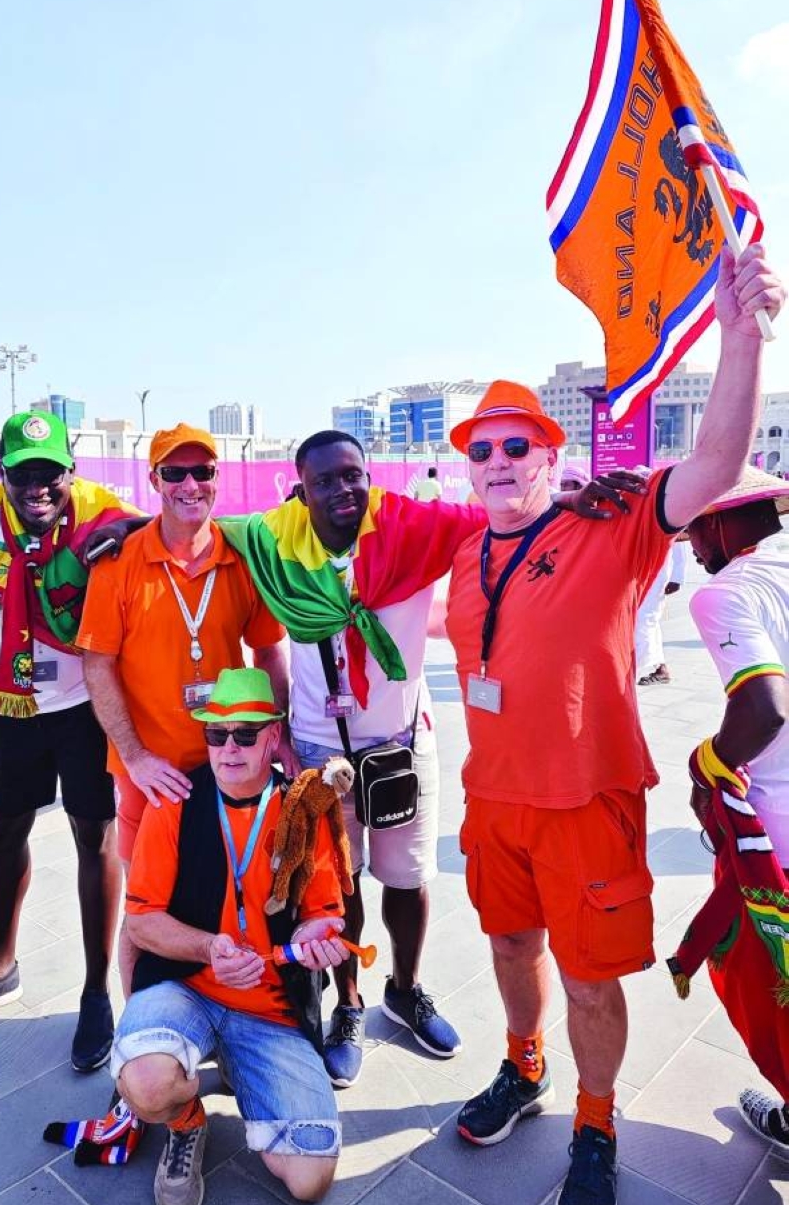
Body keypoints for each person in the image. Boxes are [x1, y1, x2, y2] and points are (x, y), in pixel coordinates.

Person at [443, 244, 784, 1205]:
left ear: (552, 458)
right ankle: (522, 1063)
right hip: (494, 800)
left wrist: (739, 332)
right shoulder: (466, 554)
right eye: (484, 450)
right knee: (511, 943)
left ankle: (596, 1122)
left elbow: (715, 465)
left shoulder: (612, 521)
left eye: (518, 447)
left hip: (587, 802)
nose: (499, 463)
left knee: (591, 977)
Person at [219, 431, 628, 1088]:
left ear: (369, 475)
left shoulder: (410, 524)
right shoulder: (272, 541)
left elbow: (505, 515)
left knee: (407, 881)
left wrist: (575, 498)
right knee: (338, 887)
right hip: (321, 752)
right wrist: (117, 530)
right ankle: (348, 1003)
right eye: (325, 480)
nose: (342, 489)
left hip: (402, 745)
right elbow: (191, 527)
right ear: (300, 486)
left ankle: (404, 989)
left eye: (353, 475)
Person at [0, 411, 140, 1071]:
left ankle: (97, 991)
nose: (38, 487)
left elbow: (162, 557)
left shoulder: (107, 516)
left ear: (71, 470)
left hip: (84, 705)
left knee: (94, 835)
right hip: (10, 702)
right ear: (1, 471)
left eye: (51, 473)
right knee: (3, 831)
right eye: (23, 474)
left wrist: (134, 533)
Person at [111, 668, 347, 1205]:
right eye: (217, 735)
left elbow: (325, 916)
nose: (229, 748)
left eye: (245, 733)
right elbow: (140, 921)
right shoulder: (174, 803)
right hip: (185, 988)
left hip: (271, 1010)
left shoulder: (301, 809)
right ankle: (185, 1120)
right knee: (146, 1084)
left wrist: (320, 938)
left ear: (273, 736)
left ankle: (244, 1068)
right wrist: (208, 947)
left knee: (309, 1179)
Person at [77, 423, 290, 992]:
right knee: (143, 909)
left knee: (232, 892)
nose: (190, 484)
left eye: (203, 472)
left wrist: (277, 737)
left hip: (231, 769)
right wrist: (135, 757)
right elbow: (97, 665)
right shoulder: (118, 564)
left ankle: (232, 1014)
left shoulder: (241, 558)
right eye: (175, 473)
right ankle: (138, 1036)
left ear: (218, 479)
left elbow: (269, 650)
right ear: (155, 480)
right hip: (151, 779)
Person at [678, 465, 789, 1158]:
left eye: (692, 524)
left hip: (780, 839)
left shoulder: (727, 591)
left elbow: (764, 707)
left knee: (764, 983)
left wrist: (708, 762)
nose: (688, 542)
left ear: (720, 521)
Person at [635, 536, 687, 685]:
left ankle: (632, 669)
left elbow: (679, 540)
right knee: (643, 619)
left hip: (658, 574)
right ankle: (660, 667)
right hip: (636, 571)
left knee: (645, 618)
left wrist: (677, 577)